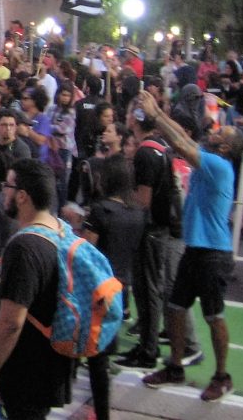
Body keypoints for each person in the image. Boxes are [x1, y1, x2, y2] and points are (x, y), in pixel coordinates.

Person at [135, 91, 243, 402]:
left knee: (214, 316)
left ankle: (222, 377)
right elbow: (183, 138)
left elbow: (182, 145)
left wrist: (155, 115)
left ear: (225, 147)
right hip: (196, 249)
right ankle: (175, 367)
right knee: (175, 308)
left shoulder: (218, 166)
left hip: (214, 254)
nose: (213, 132)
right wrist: (158, 112)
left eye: (220, 133)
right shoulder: (210, 160)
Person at [0, 159, 72, 419]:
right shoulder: (59, 230)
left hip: (25, 371)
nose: (3, 192)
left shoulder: (24, 248)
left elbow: (11, 322)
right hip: (49, 364)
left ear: (22, 196)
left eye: (7, 185)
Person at [118, 101, 202, 370]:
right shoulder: (160, 148)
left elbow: (144, 200)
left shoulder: (145, 153)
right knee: (156, 289)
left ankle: (149, 349)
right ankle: (151, 345)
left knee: (148, 291)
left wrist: (118, 200)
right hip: (165, 228)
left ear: (134, 120)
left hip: (152, 230)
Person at [81, 155, 146, 420]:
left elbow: (86, 250)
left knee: (93, 354)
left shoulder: (101, 210)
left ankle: (100, 412)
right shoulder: (138, 212)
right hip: (122, 285)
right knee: (102, 354)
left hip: (97, 286)